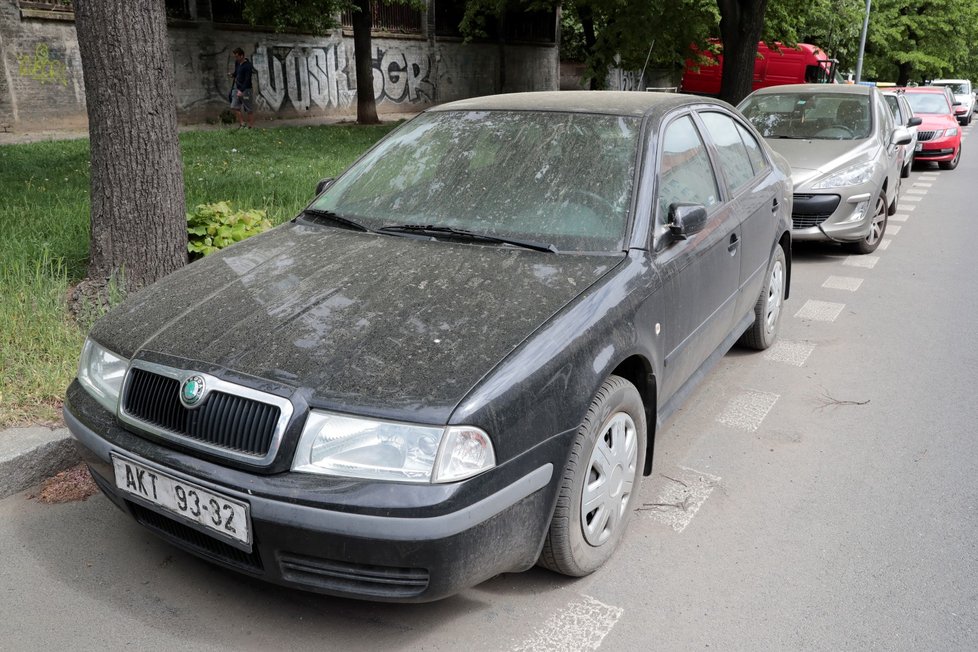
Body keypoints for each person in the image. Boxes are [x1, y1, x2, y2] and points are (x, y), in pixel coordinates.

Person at [228, 47, 255, 128]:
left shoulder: (248, 66)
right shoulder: (237, 63)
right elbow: (237, 72)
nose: (236, 58)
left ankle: (250, 126)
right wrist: (232, 75)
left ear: (242, 56)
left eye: (237, 56)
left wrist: (242, 91)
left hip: (246, 90)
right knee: (234, 106)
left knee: (248, 108)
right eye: (235, 57)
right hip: (236, 88)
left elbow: (247, 80)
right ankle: (242, 123)